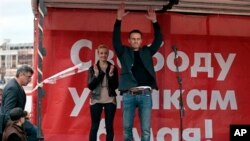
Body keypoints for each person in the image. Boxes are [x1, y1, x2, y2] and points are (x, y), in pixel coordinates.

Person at [112, 4, 163, 141]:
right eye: (133, 39)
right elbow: (115, 41)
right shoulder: (124, 52)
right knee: (127, 130)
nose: (135, 41)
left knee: (146, 131)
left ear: (141, 41)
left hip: (145, 95)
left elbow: (158, 41)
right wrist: (118, 20)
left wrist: (154, 22)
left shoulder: (147, 51)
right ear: (129, 40)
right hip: (129, 95)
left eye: (138, 39)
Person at [87, 44, 119, 141]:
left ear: (108, 54)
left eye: (105, 53)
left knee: (109, 126)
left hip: (110, 100)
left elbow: (115, 86)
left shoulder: (113, 68)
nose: (103, 55)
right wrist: (97, 75)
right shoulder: (92, 68)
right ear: (98, 54)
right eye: (101, 53)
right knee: (94, 126)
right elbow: (90, 86)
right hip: (96, 99)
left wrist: (111, 75)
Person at [0, 65, 37, 141]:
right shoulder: (12, 88)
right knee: (35, 132)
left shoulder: (17, 86)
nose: (30, 79)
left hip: (18, 119)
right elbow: (8, 112)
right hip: (12, 123)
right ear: (21, 75)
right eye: (28, 77)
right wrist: (23, 115)